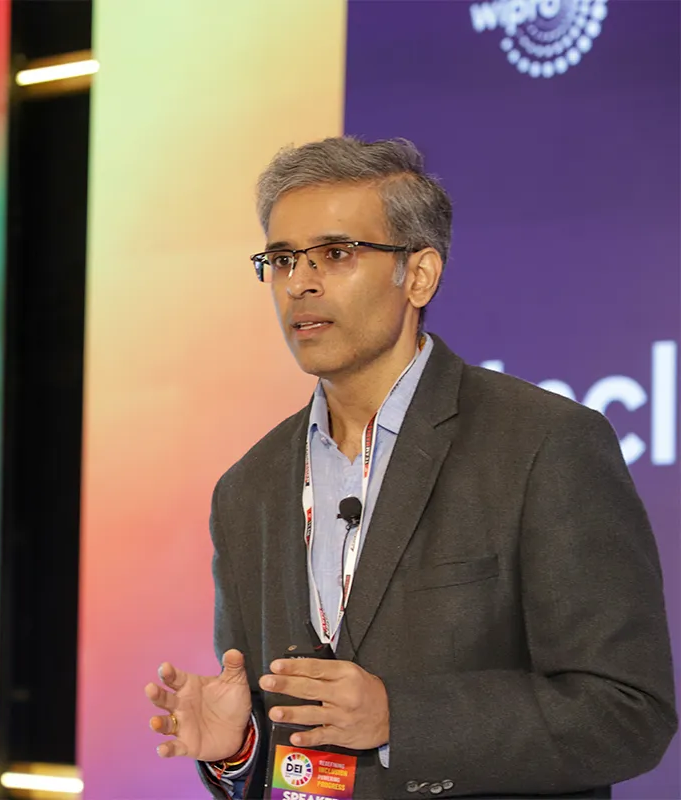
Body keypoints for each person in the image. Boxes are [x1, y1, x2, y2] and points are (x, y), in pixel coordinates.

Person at [143, 136, 677, 799]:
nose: (300, 282)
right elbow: (284, 747)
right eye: (281, 260)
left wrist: (401, 720)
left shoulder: (545, 443)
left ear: (418, 275)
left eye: (336, 253)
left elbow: (627, 713)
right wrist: (240, 748)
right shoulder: (247, 489)